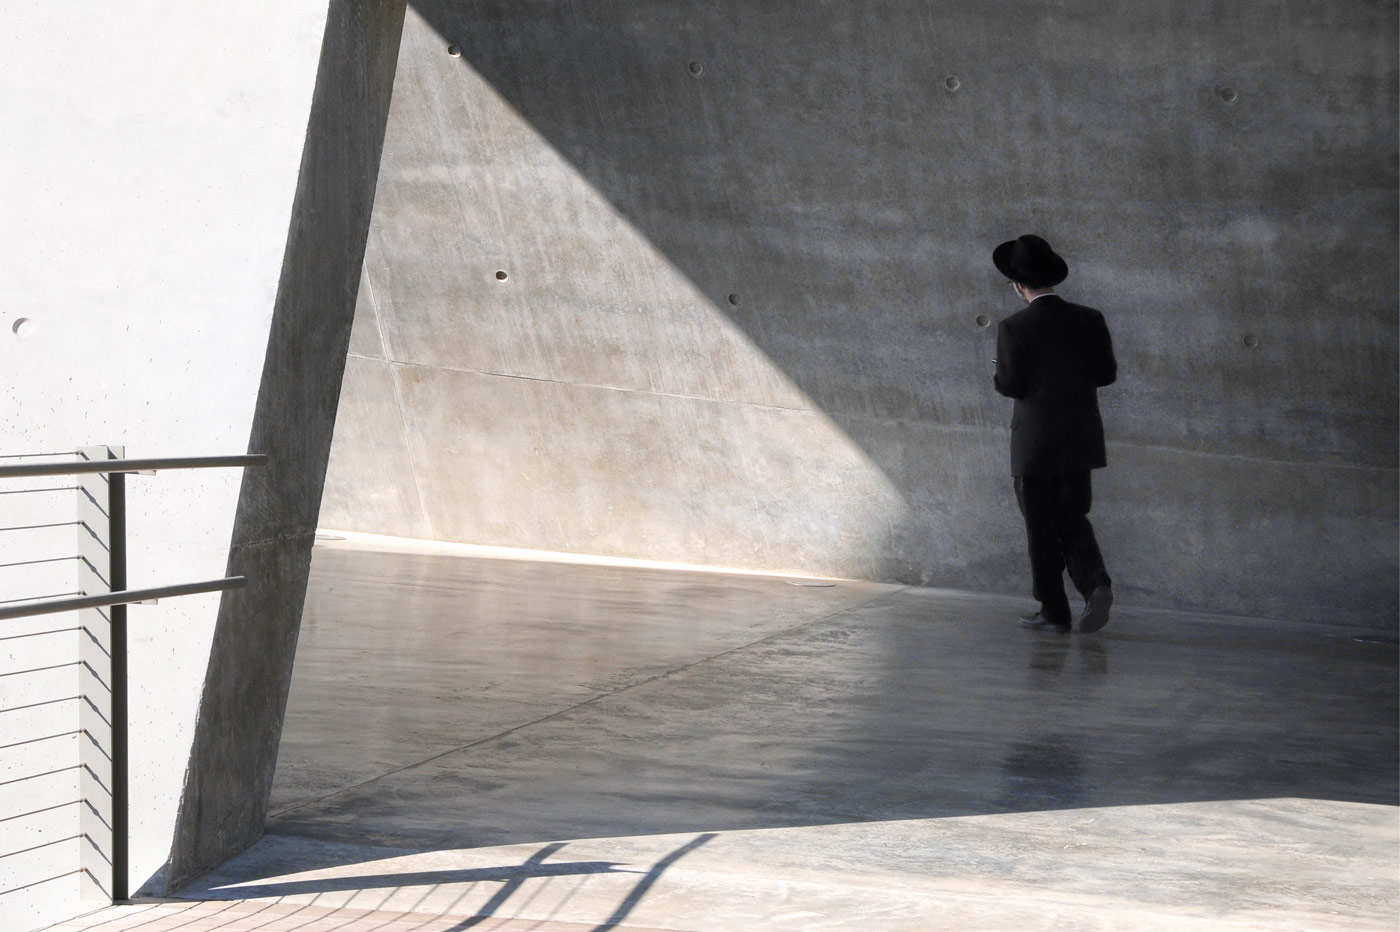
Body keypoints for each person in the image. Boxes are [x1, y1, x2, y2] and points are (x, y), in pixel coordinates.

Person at [992, 234, 1116, 633]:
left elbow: (1011, 385)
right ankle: (1095, 585)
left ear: (1017, 285)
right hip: (1081, 440)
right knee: (1072, 518)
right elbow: (1106, 375)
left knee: (1041, 529)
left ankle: (1053, 611)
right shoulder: (1090, 318)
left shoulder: (1014, 327)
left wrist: (1001, 373)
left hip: (1035, 445)